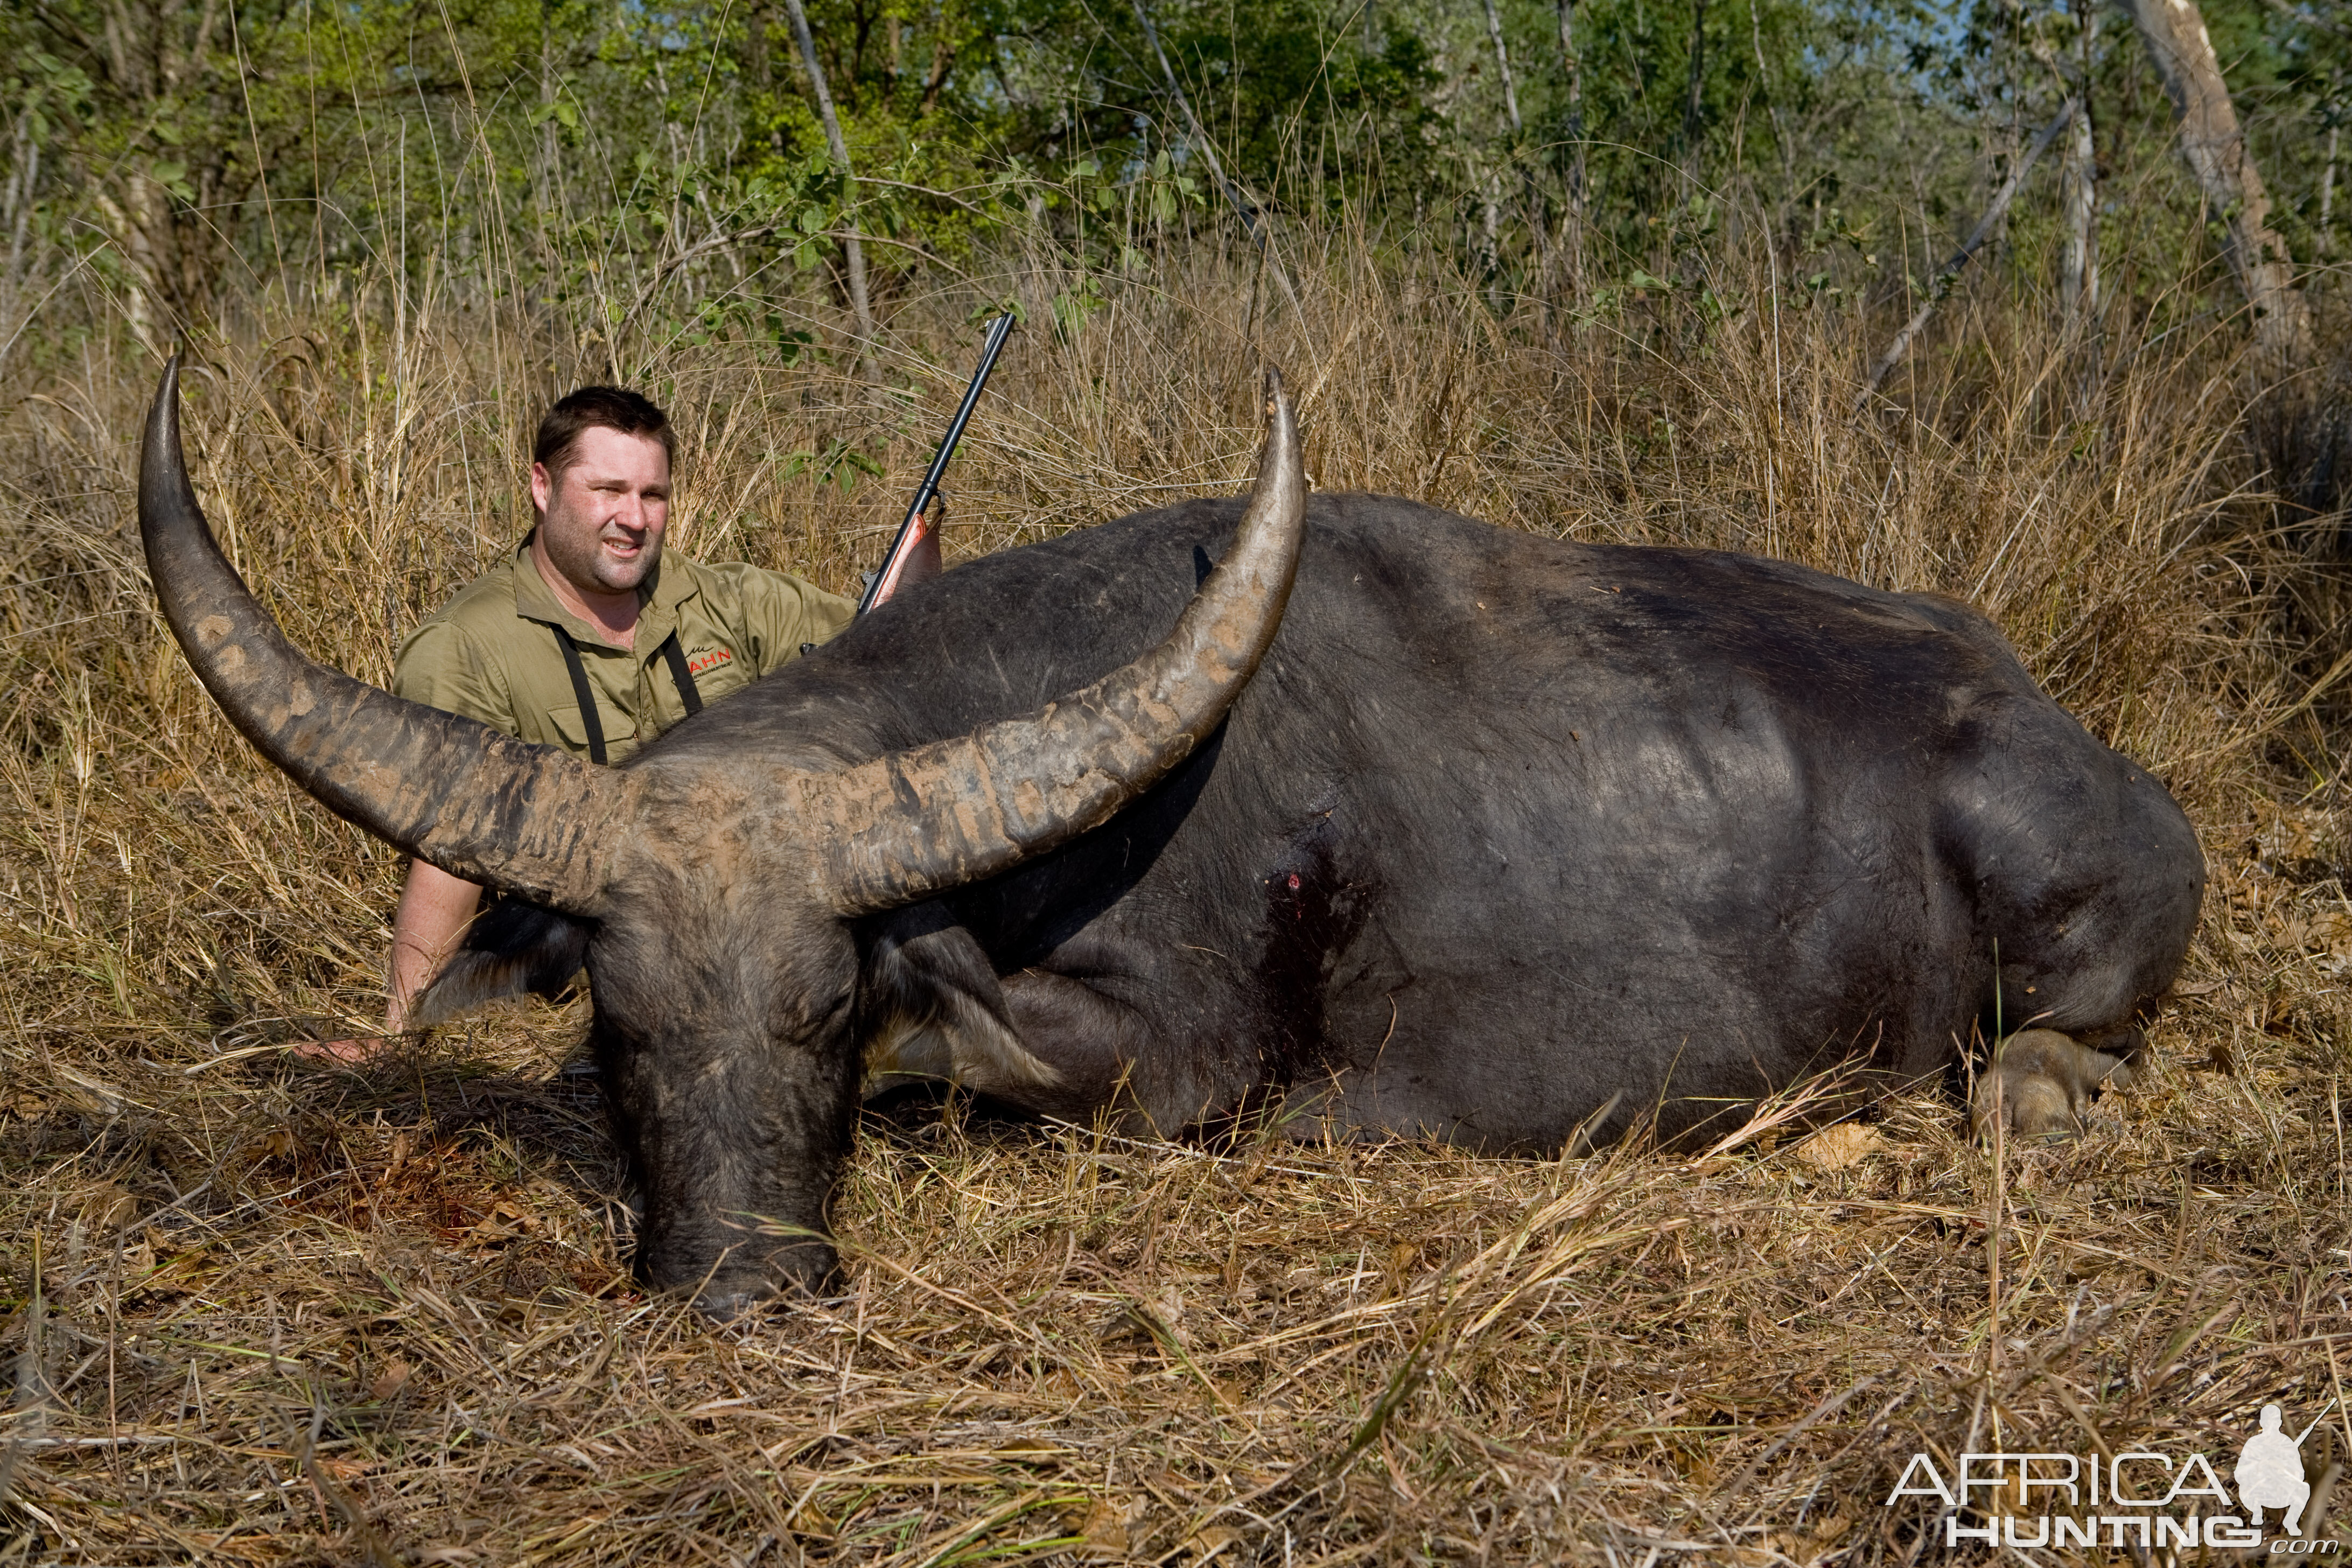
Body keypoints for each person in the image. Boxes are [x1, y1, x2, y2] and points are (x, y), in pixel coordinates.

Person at [309, 386, 937, 1060]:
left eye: (653, 495)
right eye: (608, 490)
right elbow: (450, 845)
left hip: (757, 919)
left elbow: (896, 643)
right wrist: (403, 1034)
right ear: (542, 486)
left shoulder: (725, 598)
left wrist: (921, 550)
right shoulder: (464, 644)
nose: (634, 518)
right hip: (588, 952)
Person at [2234, 1404, 2311, 1535]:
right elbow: (2240, 1472)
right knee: (2245, 1488)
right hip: (2258, 1491)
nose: (2271, 1424)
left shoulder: (2287, 1443)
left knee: (2304, 1488)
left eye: (2275, 1421)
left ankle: (2291, 1521)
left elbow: (2300, 1472)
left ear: (2280, 1422)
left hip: (2282, 1490)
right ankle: (2257, 1513)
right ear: (2262, 1423)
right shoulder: (2254, 1443)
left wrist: (2285, 1470)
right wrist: (2259, 1470)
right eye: (2268, 1421)